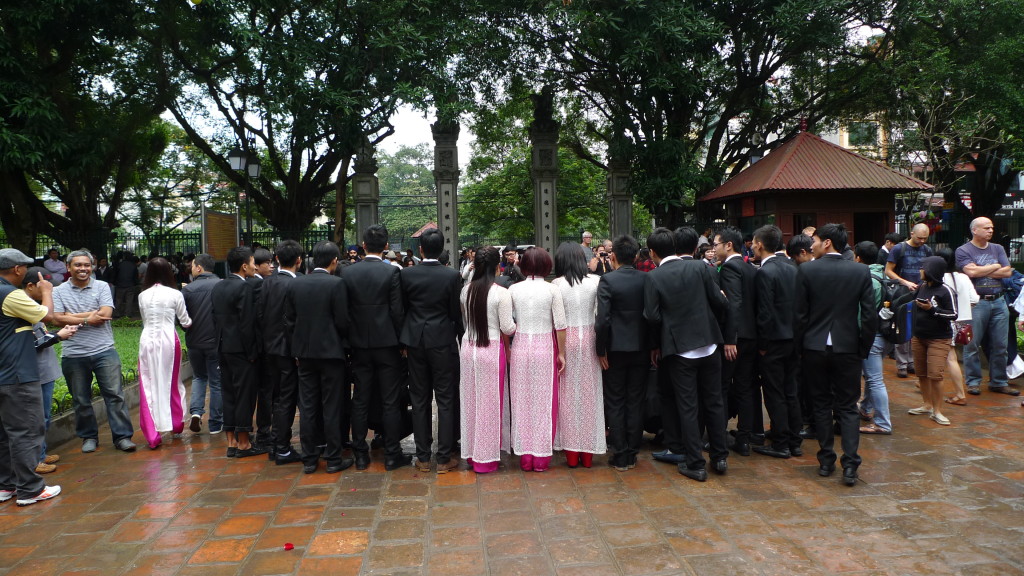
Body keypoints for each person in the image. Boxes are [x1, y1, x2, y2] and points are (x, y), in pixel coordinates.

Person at [644, 227, 729, 482]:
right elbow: (720, 302)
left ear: (652, 252)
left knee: (688, 406)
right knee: (714, 401)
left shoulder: (655, 277)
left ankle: (695, 463)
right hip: (710, 344)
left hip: (680, 350)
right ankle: (720, 456)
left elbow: (651, 316)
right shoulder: (701, 267)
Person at [795, 223, 876, 487]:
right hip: (848, 346)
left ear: (827, 242)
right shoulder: (860, 271)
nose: (812, 245)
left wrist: (801, 347)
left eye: (815, 240)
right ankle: (850, 464)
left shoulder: (807, 269)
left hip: (815, 347)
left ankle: (826, 459)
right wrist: (862, 347)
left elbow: (800, 315)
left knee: (819, 404)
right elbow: (869, 315)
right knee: (848, 406)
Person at [52, 249, 136, 453]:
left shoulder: (102, 287)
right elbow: (56, 318)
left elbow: (105, 315)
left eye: (87, 265)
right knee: (81, 400)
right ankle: (88, 437)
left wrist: (72, 316)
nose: (83, 269)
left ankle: (122, 437)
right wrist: (89, 317)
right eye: (78, 265)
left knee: (115, 395)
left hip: (104, 350)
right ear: (68, 267)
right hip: (73, 354)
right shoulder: (58, 291)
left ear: (93, 266)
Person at [342, 224, 409, 471]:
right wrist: (402, 342)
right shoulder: (391, 272)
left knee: (360, 398)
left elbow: (344, 311)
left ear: (363, 245)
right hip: (387, 343)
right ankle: (392, 453)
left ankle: (360, 453)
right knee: (390, 399)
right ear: (386, 246)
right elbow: (397, 311)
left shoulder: (347, 273)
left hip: (359, 344)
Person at [285, 241, 354, 474]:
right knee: (331, 406)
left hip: (304, 354)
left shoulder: (297, 284)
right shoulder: (337, 284)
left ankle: (309, 458)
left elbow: (290, 320)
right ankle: (333, 458)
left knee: (307, 406)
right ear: (334, 260)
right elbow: (343, 321)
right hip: (331, 353)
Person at [0, 249, 61, 506]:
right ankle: (30, 489)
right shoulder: (9, 294)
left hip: (4, 373)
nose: (26, 272)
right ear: (17, 270)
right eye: (25, 268)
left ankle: (6, 485)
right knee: (26, 431)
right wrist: (46, 290)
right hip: (17, 374)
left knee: (5, 433)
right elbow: (46, 315)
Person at [400, 228, 464, 474]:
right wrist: (459, 336)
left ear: (421, 249)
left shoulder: (407, 274)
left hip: (415, 340)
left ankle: (423, 456)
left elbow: (401, 309)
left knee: (420, 398)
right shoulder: (451, 276)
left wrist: (403, 340)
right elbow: (454, 312)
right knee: (446, 398)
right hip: (442, 340)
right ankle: (445, 456)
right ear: (442, 249)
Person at [508, 247, 566, 472]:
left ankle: (525, 456)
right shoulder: (552, 290)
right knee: (544, 402)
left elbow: (507, 322)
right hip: (544, 349)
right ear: (546, 265)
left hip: (521, 346)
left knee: (521, 402)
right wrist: (561, 353)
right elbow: (560, 325)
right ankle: (541, 458)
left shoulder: (514, 289)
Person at [459, 247, 516, 473]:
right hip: (491, 349)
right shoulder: (501, 293)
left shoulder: (465, 291)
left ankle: (473, 454)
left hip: (469, 347)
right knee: (490, 404)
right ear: (497, 266)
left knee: (471, 402)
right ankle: (487, 457)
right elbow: (507, 327)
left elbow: (466, 321)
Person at [596, 235, 650, 471]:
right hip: (641, 347)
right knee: (636, 399)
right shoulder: (646, 279)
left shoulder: (608, 281)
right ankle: (632, 451)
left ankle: (619, 454)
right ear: (636, 256)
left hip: (615, 349)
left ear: (614, 256)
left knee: (615, 400)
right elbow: (652, 315)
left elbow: (603, 320)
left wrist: (601, 349)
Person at [750, 225, 803, 458]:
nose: (751, 246)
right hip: (794, 338)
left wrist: (762, 345)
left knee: (774, 392)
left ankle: (781, 442)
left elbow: (765, 313)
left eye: (753, 242)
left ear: (760, 244)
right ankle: (794, 438)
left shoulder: (765, 272)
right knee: (791, 390)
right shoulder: (793, 267)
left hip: (773, 341)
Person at [552, 242, 605, 468]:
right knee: (590, 395)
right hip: (591, 338)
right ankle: (589, 452)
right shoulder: (596, 281)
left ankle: (571, 453)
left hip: (567, 340)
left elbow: (557, 320)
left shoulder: (556, 284)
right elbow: (601, 315)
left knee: (568, 397)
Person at [22, 267, 77, 473]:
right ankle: (35, 460)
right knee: (35, 418)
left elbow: (41, 333)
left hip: (45, 370)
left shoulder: (33, 306)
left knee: (43, 416)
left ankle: (41, 453)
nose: (49, 292)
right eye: (44, 288)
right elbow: (31, 344)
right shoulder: (24, 308)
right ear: (30, 286)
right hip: (35, 372)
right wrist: (59, 336)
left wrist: (56, 333)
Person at [956, 217, 1018, 396]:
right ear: (975, 230)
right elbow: (971, 272)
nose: (991, 230)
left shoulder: (997, 248)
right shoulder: (963, 250)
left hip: (999, 301)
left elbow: (1008, 271)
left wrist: (984, 268)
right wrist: (995, 266)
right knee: (972, 344)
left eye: (991, 228)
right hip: (977, 303)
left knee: (1000, 345)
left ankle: (999, 381)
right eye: (986, 228)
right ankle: (973, 382)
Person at [211, 246, 263, 458]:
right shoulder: (245, 289)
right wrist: (253, 352)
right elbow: (247, 324)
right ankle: (244, 443)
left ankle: (231, 441)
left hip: (222, 346)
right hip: (241, 349)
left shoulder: (218, 286)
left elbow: (214, 319)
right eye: (252, 263)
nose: (254, 267)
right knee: (245, 394)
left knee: (228, 392)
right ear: (244, 266)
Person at [137, 258, 193, 450]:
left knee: (148, 383)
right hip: (169, 340)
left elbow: (145, 319)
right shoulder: (175, 294)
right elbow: (185, 321)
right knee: (171, 382)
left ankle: (153, 435)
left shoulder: (142, 295)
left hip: (146, 341)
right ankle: (176, 424)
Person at [257, 240, 304, 465]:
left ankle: (277, 444)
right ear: (299, 260)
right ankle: (283, 447)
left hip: (270, 348)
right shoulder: (297, 285)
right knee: (287, 398)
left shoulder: (266, 283)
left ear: (276, 259)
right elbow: (293, 322)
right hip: (288, 350)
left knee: (277, 397)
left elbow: (260, 316)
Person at [903, 256, 959, 425]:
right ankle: (927, 405)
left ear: (932, 271)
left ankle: (938, 411)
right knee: (921, 373)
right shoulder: (921, 287)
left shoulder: (945, 290)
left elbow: (953, 314)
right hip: (919, 336)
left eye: (924, 268)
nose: (920, 270)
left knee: (935, 375)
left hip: (939, 339)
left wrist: (932, 309)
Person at [854, 241, 893, 435]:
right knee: (872, 377)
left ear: (858, 258)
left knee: (875, 379)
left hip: (873, 336)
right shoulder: (883, 274)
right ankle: (866, 408)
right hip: (886, 334)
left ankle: (883, 423)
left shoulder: (868, 279)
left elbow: (864, 314)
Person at [182, 254, 222, 434]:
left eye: (192, 266)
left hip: (194, 341)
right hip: (215, 342)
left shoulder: (188, 290)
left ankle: (196, 413)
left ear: (199, 268)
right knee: (216, 382)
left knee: (199, 377)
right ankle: (215, 423)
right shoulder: (221, 285)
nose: (190, 269)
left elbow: (182, 319)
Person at [886, 223, 932, 378]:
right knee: (902, 327)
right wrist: (905, 282)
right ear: (912, 234)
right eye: (919, 238)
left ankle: (912, 362)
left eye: (925, 238)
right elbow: (888, 270)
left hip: (921, 292)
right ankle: (902, 364)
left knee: (916, 329)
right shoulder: (899, 248)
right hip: (903, 293)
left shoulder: (927, 250)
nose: (922, 241)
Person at [938, 247, 978, 407]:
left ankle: (960, 394)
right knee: (946, 355)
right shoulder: (962, 277)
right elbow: (974, 299)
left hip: (943, 321)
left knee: (950, 357)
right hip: (959, 321)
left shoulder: (937, 278)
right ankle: (924, 382)